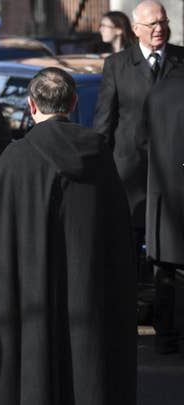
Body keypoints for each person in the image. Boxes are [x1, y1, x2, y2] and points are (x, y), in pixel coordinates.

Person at [0, 67, 137, 405]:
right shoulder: (98, 152)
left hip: (35, 293)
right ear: (74, 103)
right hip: (90, 288)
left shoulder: (18, 157)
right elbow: (118, 230)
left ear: (31, 106)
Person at [94, 0, 184, 341]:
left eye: (163, 22)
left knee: (169, 255)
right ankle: (125, 318)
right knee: (128, 251)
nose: (159, 28)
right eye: (152, 24)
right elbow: (105, 120)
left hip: (172, 176)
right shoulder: (117, 65)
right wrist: (100, 170)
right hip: (130, 175)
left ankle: (166, 327)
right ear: (136, 31)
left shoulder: (181, 59)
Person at [138, 72, 184, 354]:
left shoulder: (160, 88)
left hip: (163, 193)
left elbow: (140, 139)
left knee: (165, 273)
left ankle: (166, 338)